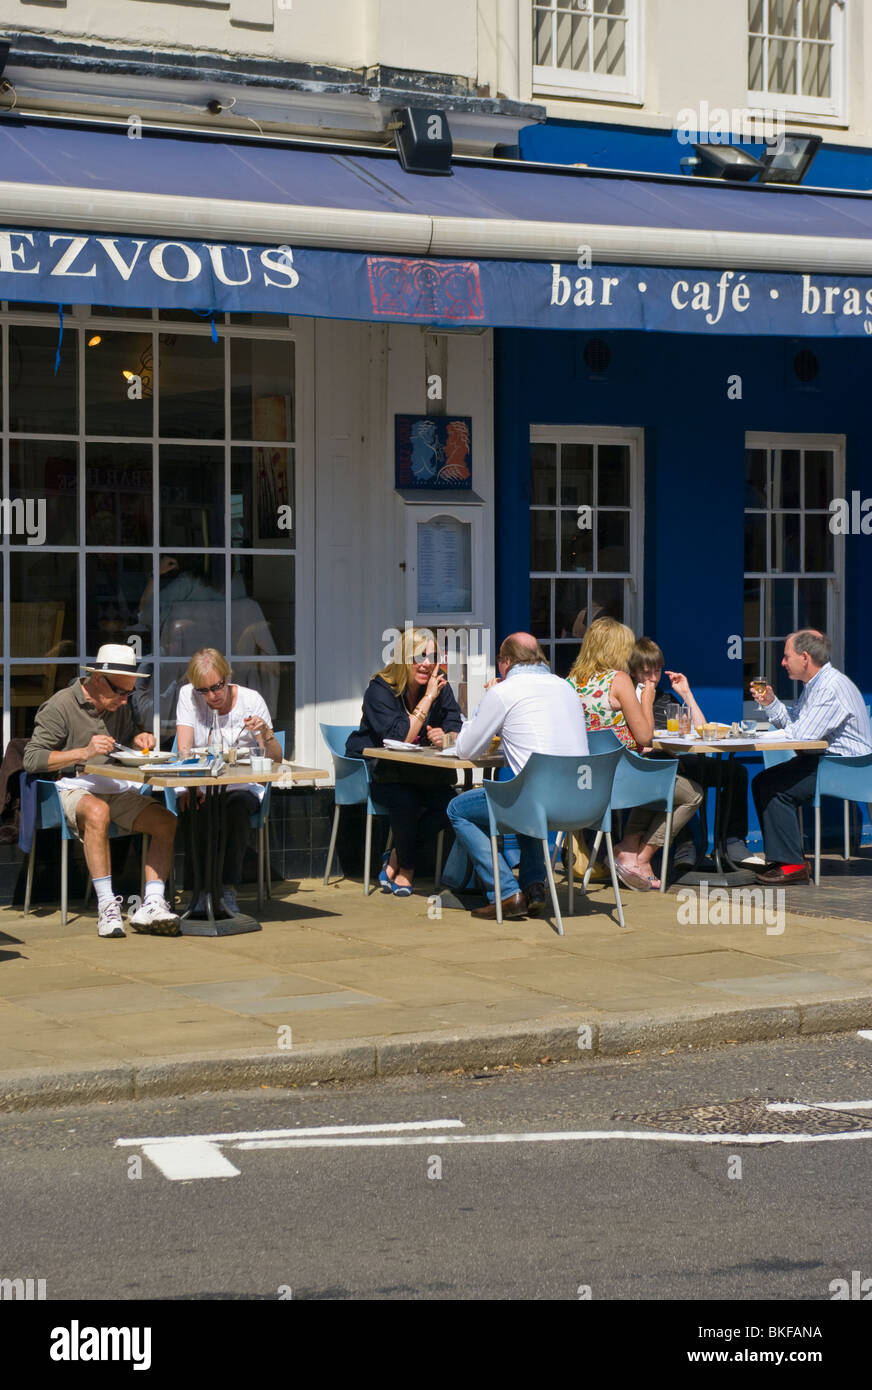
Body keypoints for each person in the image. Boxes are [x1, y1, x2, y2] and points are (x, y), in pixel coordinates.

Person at [22, 643, 180, 939]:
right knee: (98, 811)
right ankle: (107, 906)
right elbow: (32, 758)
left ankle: (153, 904)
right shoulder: (61, 705)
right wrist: (82, 752)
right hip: (71, 786)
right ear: (97, 680)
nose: (124, 701)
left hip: (114, 785)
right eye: (120, 692)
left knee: (166, 821)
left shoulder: (119, 705)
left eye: (130, 693)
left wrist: (138, 740)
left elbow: (126, 738)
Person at [440, 633, 588, 920]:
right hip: (582, 802)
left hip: (537, 801)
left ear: (505, 661)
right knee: (524, 791)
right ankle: (533, 886)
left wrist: (487, 700)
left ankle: (506, 892)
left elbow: (467, 747)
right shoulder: (566, 687)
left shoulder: (504, 691)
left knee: (458, 809)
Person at [346, 627, 463, 896]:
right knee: (407, 801)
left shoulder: (439, 681)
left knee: (452, 805)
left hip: (424, 773)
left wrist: (444, 737)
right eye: (419, 656)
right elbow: (399, 735)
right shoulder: (379, 689)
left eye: (432, 657)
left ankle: (396, 857)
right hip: (382, 772)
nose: (426, 664)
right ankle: (407, 870)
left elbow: (456, 725)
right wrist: (428, 698)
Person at [751, 630, 872, 885]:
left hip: (848, 769)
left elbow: (802, 735)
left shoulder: (830, 686)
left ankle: (793, 864)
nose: (782, 662)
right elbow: (796, 723)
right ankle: (786, 858)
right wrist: (772, 702)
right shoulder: (815, 684)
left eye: (787, 657)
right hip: (829, 762)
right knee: (764, 781)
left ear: (804, 657)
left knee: (774, 787)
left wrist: (757, 738)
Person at [175, 648, 282, 917]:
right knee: (195, 808)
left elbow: (277, 759)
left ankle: (226, 890)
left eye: (216, 687)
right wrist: (187, 786)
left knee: (234, 808)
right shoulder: (188, 696)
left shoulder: (251, 699)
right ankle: (200, 893)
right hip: (203, 784)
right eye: (204, 690)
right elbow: (184, 749)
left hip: (242, 786)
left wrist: (264, 732)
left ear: (226, 676)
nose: (211, 696)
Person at [611, 637, 706, 890]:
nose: (652, 678)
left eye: (656, 670)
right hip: (636, 771)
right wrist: (646, 701)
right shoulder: (629, 698)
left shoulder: (664, 699)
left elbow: (702, 731)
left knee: (678, 779)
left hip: (659, 768)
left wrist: (686, 694)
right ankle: (644, 856)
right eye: (646, 672)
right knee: (692, 794)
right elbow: (644, 740)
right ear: (633, 671)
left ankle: (633, 850)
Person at [566, 617, 655, 751]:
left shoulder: (570, 681)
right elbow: (644, 737)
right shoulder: (618, 679)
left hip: (585, 762)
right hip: (619, 764)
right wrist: (647, 699)